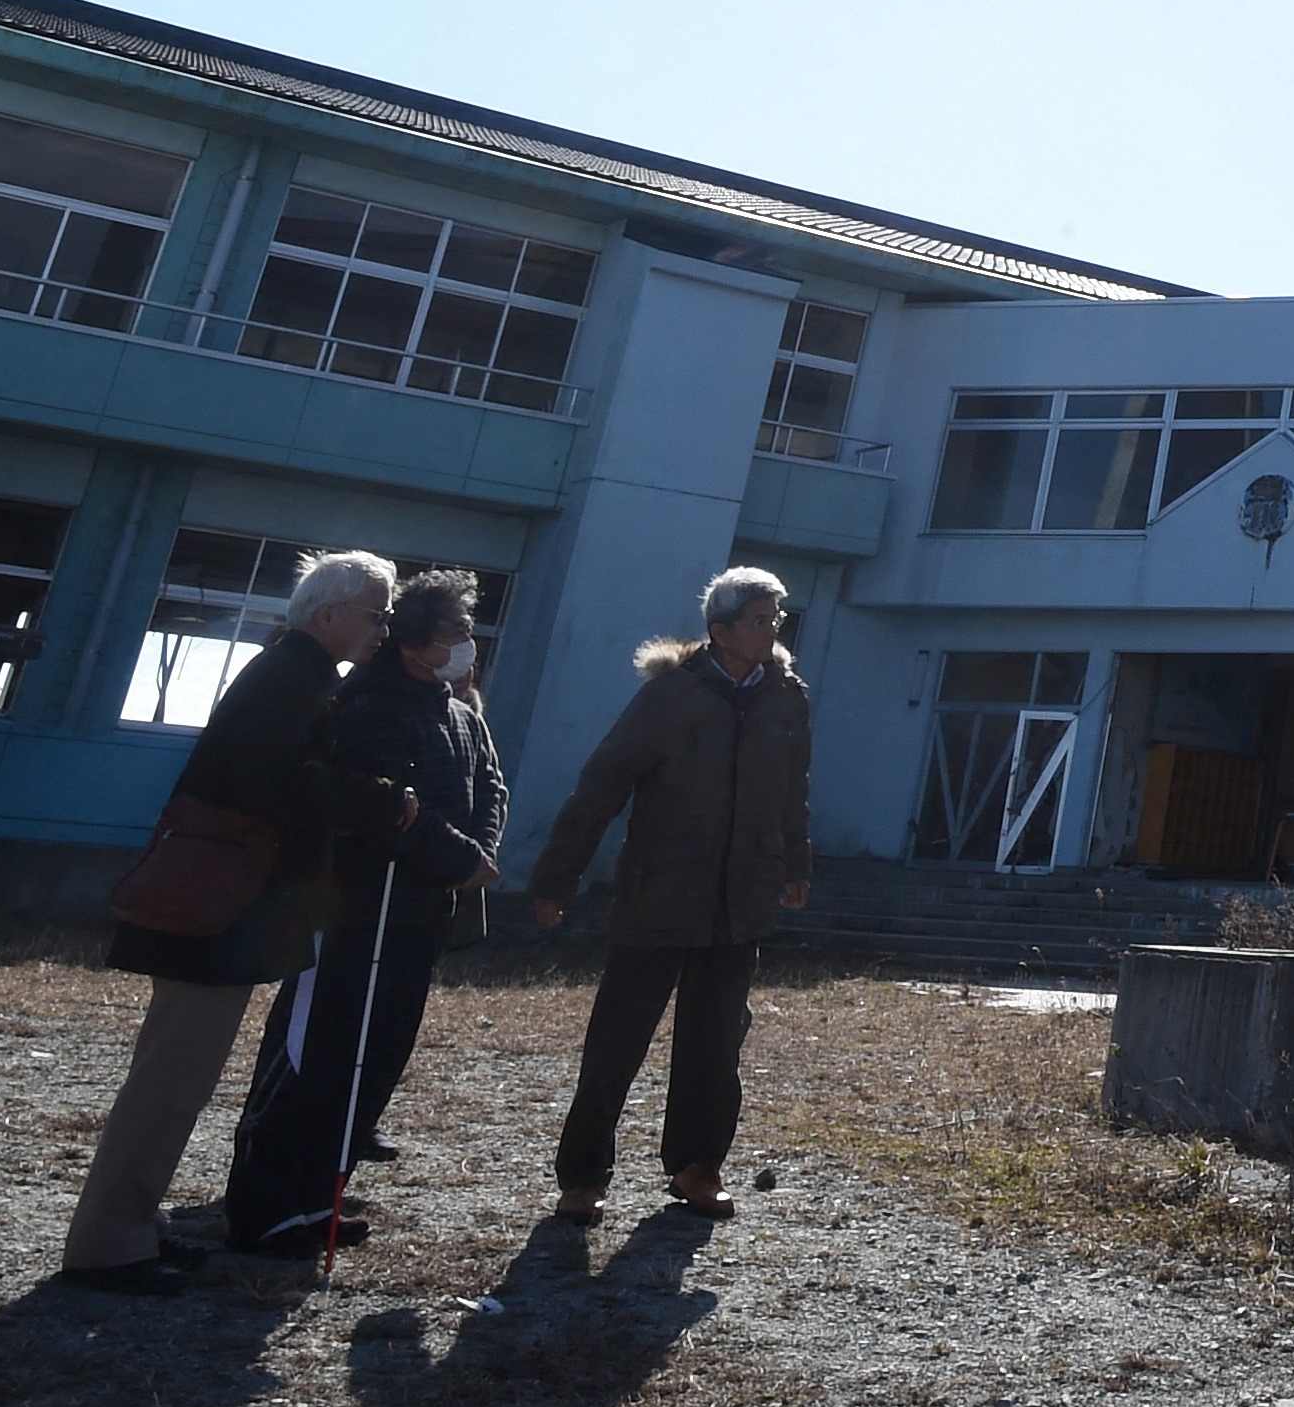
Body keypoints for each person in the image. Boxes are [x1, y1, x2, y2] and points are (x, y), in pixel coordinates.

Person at [53, 549, 406, 1295]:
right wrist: (374, 799)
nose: (383, 627)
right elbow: (274, 782)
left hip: (219, 904)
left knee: (178, 1075)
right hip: (213, 908)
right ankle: (107, 1241)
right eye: (377, 612)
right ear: (327, 613)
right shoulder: (290, 678)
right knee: (170, 1081)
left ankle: (132, 1223)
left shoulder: (294, 672)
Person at [217, 572, 502, 1254]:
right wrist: (457, 856)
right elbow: (385, 808)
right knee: (317, 1052)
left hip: (419, 914)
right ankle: (265, 1204)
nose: (466, 644)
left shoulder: (458, 710)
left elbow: (489, 783)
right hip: (357, 911)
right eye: (453, 631)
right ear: (413, 638)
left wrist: (479, 853)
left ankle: (320, 1195)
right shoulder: (371, 703)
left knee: (374, 1059)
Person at [527, 564, 813, 1222]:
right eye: (761, 617)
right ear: (721, 628)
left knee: (715, 1046)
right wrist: (555, 876)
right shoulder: (670, 697)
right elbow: (601, 783)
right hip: (659, 893)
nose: (773, 628)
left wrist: (793, 863)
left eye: (777, 617)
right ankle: (582, 1176)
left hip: (740, 901)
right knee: (616, 1043)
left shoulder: (786, 696)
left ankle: (696, 1167)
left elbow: (794, 789)